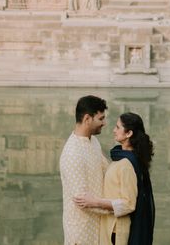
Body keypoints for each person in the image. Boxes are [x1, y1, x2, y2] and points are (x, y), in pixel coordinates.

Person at [74, 112, 155, 245]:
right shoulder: (122, 158)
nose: (114, 130)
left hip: (116, 230)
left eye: (118, 127)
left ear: (128, 133)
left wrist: (94, 202)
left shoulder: (126, 164)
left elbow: (128, 204)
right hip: (111, 226)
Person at [60, 95, 109, 245]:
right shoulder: (72, 153)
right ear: (87, 119)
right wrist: (116, 207)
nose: (104, 123)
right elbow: (83, 201)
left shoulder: (93, 141)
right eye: (100, 119)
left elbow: (106, 171)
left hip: (98, 226)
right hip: (81, 233)